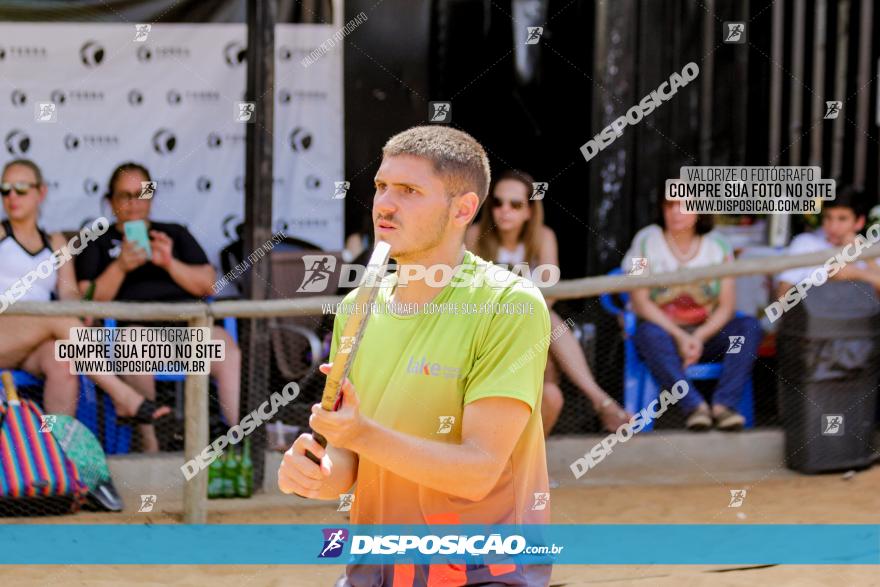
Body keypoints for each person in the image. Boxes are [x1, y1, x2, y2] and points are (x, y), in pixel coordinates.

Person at [277, 126, 553, 586]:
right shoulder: (356, 307)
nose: (384, 203)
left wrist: (361, 434)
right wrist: (316, 473)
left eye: (409, 191)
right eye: (382, 187)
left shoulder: (510, 305)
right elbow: (349, 459)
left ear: (463, 208)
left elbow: (477, 472)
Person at [75, 162, 241, 451]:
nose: (134, 203)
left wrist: (169, 263)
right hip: (133, 335)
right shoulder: (98, 241)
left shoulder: (173, 233)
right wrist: (121, 266)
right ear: (110, 200)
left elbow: (207, 285)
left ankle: (237, 438)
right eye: (124, 195)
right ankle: (150, 444)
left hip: (186, 333)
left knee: (226, 346)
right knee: (133, 341)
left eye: (141, 193)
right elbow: (86, 300)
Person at [0, 159, 170, 434]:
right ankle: (122, 394)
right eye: (5, 189)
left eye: (21, 188)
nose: (11, 196)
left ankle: (56, 451)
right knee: (59, 319)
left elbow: (68, 291)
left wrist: (80, 309)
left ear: (41, 192)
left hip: (36, 340)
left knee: (64, 362)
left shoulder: (55, 242)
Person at [465, 169, 630, 435]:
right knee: (548, 338)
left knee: (548, 349)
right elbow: (467, 291)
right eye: (497, 202)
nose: (504, 210)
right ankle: (601, 400)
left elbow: (550, 294)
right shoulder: (474, 235)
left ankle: (529, 451)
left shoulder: (543, 237)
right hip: (484, 321)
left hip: (530, 320)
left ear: (530, 210)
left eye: (515, 204)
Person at [622, 185, 762, 431]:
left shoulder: (719, 245)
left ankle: (723, 406)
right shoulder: (644, 241)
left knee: (748, 327)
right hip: (664, 335)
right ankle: (694, 406)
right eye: (670, 204)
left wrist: (697, 336)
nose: (676, 211)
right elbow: (639, 301)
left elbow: (727, 306)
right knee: (647, 333)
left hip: (706, 335)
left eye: (684, 204)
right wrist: (680, 336)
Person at [776, 186, 880, 296]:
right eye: (828, 217)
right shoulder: (806, 243)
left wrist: (859, 272)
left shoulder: (873, 252)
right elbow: (782, 296)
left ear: (859, 222)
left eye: (842, 219)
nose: (833, 227)